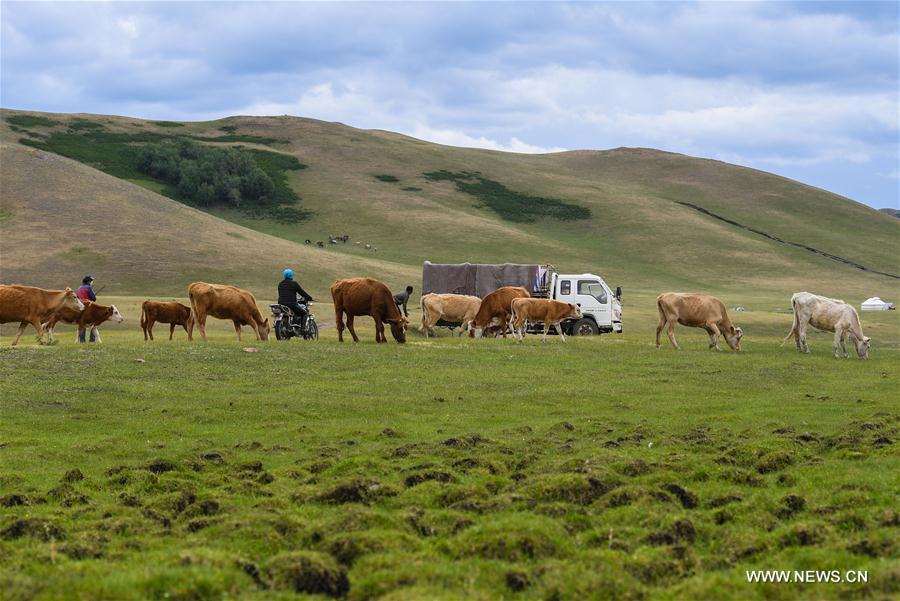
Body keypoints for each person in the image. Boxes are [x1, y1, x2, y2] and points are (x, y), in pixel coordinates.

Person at [76, 275, 97, 343]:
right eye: (92, 281)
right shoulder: (88, 287)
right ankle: (92, 340)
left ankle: (82, 341)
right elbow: (94, 299)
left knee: (82, 324)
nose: (92, 282)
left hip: (81, 308)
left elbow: (77, 298)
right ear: (89, 281)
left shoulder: (79, 288)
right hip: (89, 308)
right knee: (93, 323)